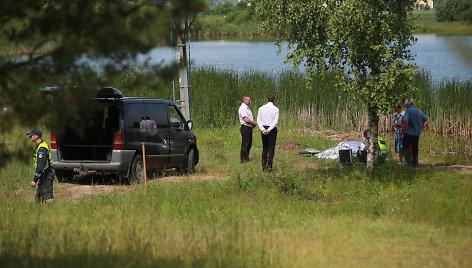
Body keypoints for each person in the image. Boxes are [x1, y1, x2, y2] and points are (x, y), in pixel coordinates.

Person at [26, 129, 55, 203]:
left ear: (36, 136)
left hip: (46, 175)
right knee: (38, 200)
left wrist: (34, 180)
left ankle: (53, 212)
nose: (30, 137)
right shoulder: (40, 146)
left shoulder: (42, 148)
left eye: (31, 135)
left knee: (49, 199)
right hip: (43, 175)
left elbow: (41, 166)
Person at [402, 99, 429, 167]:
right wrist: (422, 126)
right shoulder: (419, 111)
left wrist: (405, 127)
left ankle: (409, 163)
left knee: (405, 148)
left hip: (408, 133)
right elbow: (426, 120)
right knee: (415, 148)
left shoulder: (408, 111)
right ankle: (415, 163)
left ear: (408, 104)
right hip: (416, 133)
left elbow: (405, 120)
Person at [257, 94, 279, 171]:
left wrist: (263, 129)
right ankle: (269, 166)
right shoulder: (276, 109)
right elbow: (275, 121)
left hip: (263, 128)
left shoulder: (261, 108)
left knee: (265, 148)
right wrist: (269, 130)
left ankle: (263, 166)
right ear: (274, 100)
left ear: (267, 99)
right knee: (271, 148)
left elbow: (258, 120)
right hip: (271, 129)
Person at [238, 96, 257, 163]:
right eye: (249, 100)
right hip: (245, 127)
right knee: (245, 144)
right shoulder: (243, 108)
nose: (250, 101)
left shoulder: (247, 108)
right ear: (244, 100)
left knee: (249, 143)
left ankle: (246, 157)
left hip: (248, 127)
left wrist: (251, 125)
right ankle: (243, 159)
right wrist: (254, 123)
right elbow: (246, 119)